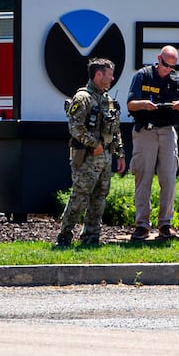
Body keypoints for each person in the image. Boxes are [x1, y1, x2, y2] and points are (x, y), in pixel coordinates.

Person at [127, 46, 179, 241]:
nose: (168, 69)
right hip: (145, 129)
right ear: (159, 59)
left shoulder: (177, 80)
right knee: (143, 177)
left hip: (167, 130)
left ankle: (165, 224)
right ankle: (142, 225)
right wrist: (144, 105)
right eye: (165, 64)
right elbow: (130, 104)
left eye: (172, 66)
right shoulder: (143, 75)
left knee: (168, 178)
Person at [56, 58, 126, 247]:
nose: (112, 78)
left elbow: (116, 129)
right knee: (80, 197)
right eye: (109, 74)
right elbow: (75, 127)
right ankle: (64, 236)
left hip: (105, 158)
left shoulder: (107, 99)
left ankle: (91, 236)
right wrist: (94, 144)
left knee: (100, 198)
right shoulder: (83, 98)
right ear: (98, 74)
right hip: (87, 157)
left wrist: (120, 154)